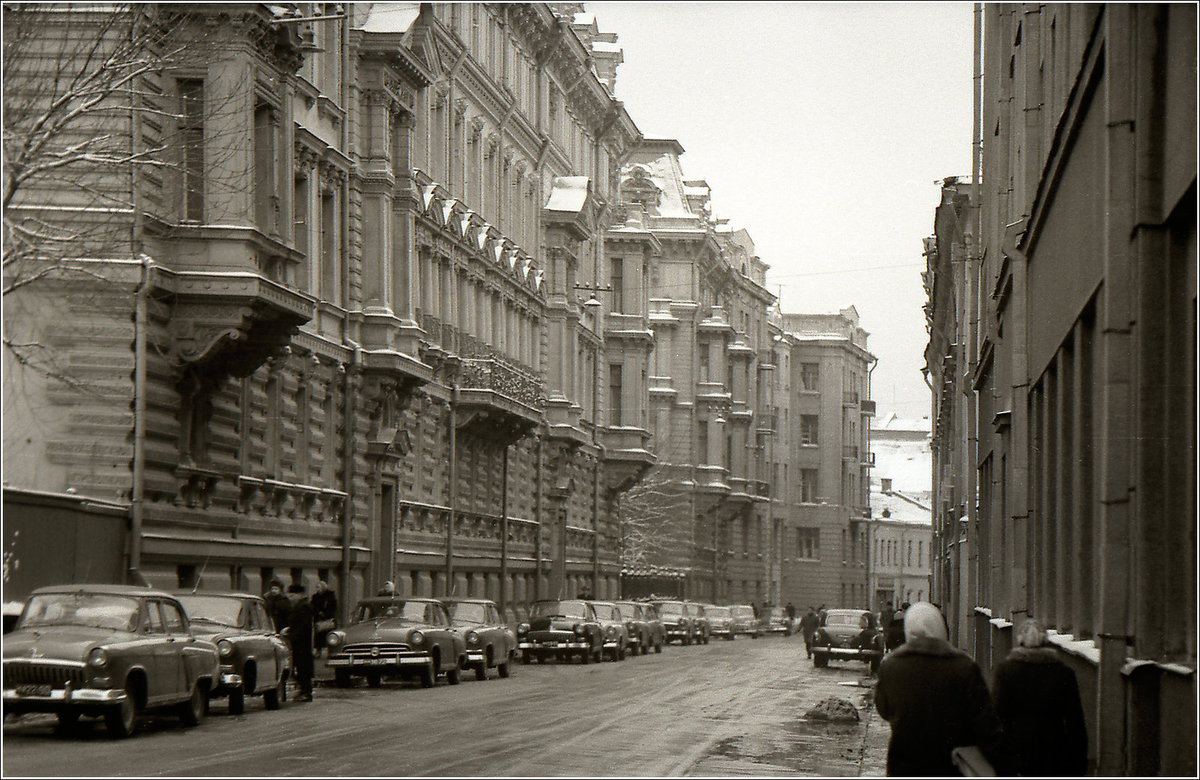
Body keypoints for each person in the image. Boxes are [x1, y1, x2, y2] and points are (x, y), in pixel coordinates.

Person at [875, 601, 1000, 776]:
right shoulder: (964, 666)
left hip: (904, 765)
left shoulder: (891, 666)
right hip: (950, 765)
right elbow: (984, 724)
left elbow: (883, 709)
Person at [990, 618, 1088, 776]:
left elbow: (996, 714)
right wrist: (1079, 764)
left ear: (1020, 641)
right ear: (1046, 642)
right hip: (1054, 751)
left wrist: (997, 757)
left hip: (1016, 750)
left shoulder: (1006, 670)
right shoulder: (1064, 673)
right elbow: (1075, 722)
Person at [287, 583, 314, 702]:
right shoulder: (299, 605)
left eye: (293, 595)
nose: (290, 597)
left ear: (299, 595)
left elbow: (304, 625)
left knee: (302, 668)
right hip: (299, 642)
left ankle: (306, 692)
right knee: (298, 668)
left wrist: (293, 636)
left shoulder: (303, 607)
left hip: (302, 643)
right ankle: (304, 690)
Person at [311, 580, 338, 656]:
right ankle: (318, 651)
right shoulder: (315, 597)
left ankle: (330, 651)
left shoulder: (330, 597)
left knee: (328, 635)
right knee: (318, 637)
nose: (317, 589)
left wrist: (326, 613)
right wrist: (317, 612)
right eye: (317, 587)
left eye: (319, 587)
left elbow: (333, 607)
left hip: (327, 620)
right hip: (318, 619)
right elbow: (312, 607)